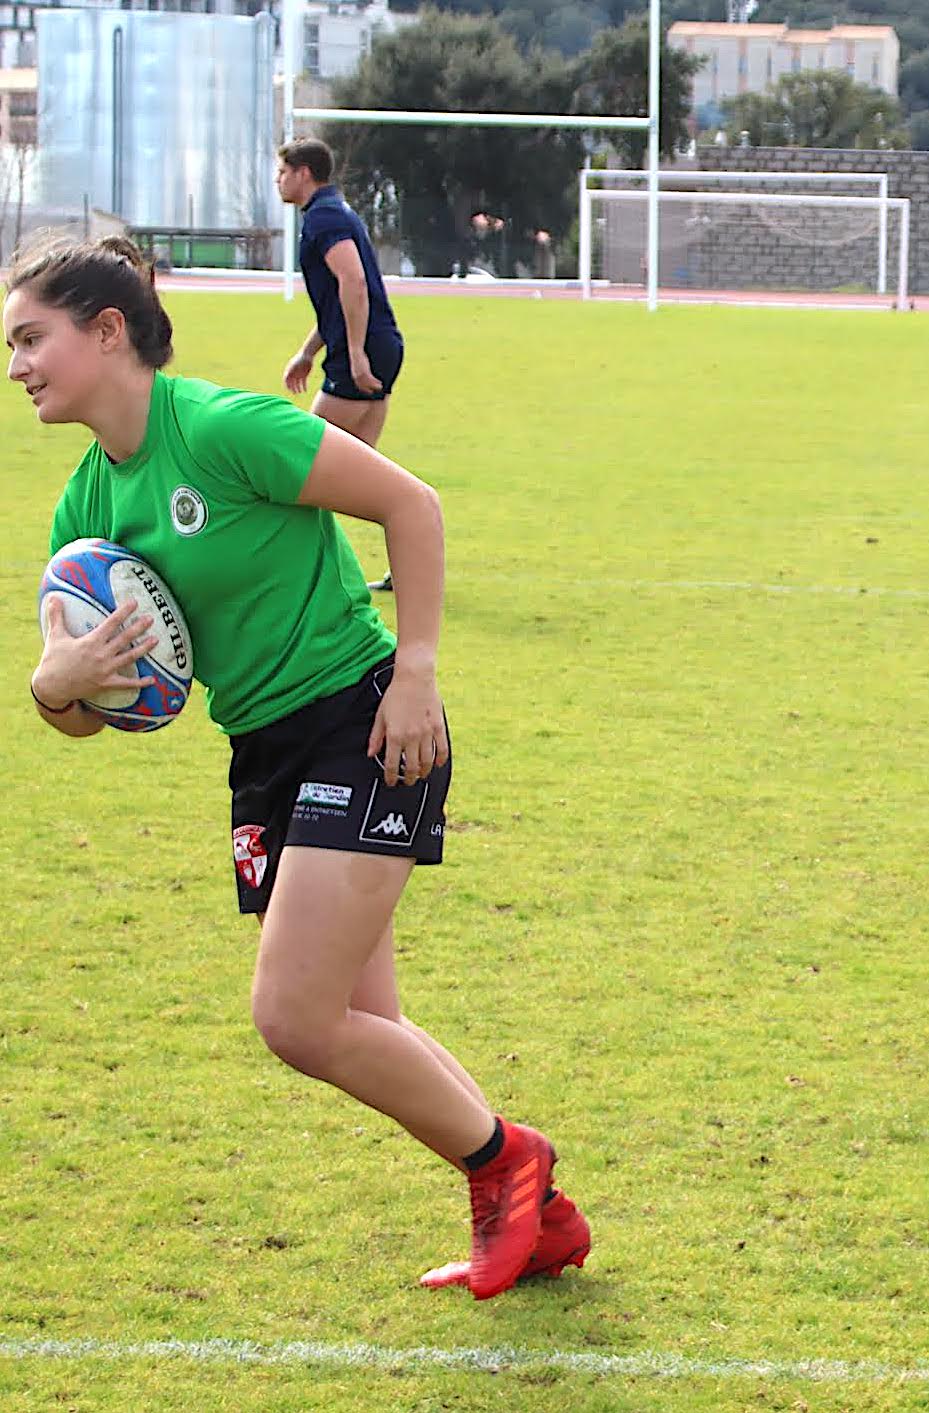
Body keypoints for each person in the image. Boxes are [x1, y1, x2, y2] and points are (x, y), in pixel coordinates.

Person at [8, 236, 587, 1299]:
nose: (17, 367)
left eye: (32, 338)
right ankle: (537, 1217)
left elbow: (413, 506)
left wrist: (415, 673)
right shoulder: (84, 514)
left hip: (364, 724)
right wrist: (60, 684)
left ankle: (510, 1167)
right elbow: (99, 719)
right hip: (264, 749)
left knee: (295, 1016)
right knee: (361, 1021)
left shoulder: (227, 429)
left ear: (108, 331)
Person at [275, 137, 402, 593]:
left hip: (362, 353)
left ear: (304, 173)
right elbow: (337, 299)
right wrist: (309, 352)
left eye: (283, 172)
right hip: (377, 346)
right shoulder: (334, 211)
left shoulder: (324, 217)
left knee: (299, 463)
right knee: (361, 477)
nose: (279, 181)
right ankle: (406, 558)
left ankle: (294, 576)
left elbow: (352, 282)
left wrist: (354, 355)